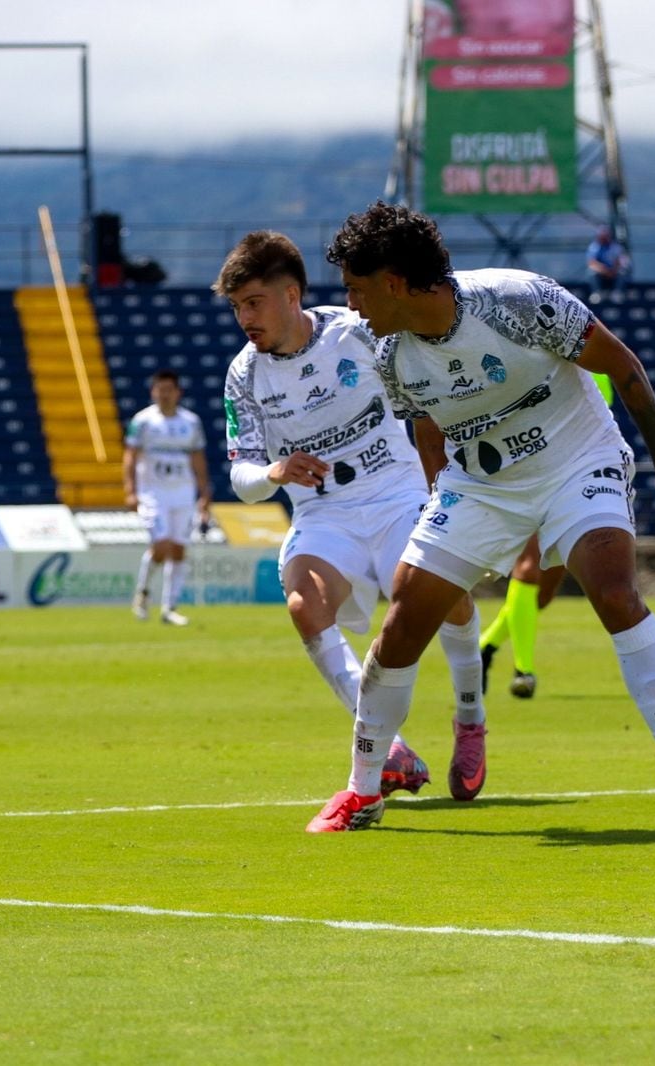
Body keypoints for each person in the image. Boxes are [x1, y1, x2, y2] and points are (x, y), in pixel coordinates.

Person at [309, 201, 655, 835]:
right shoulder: (389, 353)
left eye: (357, 287)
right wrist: (440, 511)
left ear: (393, 284)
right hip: (480, 486)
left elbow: (624, 366)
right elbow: (426, 431)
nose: (351, 301)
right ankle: (362, 791)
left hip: (576, 460)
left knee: (612, 591)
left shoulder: (517, 298)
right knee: (403, 618)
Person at [216, 231, 487, 800]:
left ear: (291, 296)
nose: (244, 318)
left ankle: (470, 717)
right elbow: (240, 476)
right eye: (238, 306)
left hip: (395, 494)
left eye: (253, 303)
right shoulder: (245, 374)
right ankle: (390, 749)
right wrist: (274, 472)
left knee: (450, 601)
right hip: (325, 513)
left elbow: (430, 396)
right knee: (303, 604)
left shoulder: (357, 332)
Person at [479, 374, 614, 699]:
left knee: (544, 593)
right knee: (530, 564)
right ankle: (523, 671)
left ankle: (484, 648)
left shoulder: (593, 369)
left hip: (570, 475)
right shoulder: (525, 357)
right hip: (525, 472)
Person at [123, 369, 212, 627]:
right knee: (161, 547)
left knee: (179, 549)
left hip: (183, 493)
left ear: (177, 392)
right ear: (153, 392)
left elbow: (198, 458)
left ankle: (170, 607)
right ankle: (143, 592)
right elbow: (130, 456)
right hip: (153, 494)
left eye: (168, 389)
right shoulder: (143, 421)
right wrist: (130, 489)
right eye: (159, 389)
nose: (164, 394)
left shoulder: (191, 422)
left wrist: (204, 492)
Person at [585, 225, 630, 300]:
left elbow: (621, 261)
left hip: (614, 273)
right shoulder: (594, 247)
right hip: (601, 273)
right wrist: (605, 271)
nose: (604, 238)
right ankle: (597, 293)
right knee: (591, 272)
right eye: (602, 236)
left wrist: (613, 270)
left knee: (622, 272)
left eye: (605, 236)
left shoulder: (616, 247)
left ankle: (617, 293)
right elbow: (592, 263)